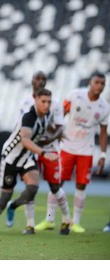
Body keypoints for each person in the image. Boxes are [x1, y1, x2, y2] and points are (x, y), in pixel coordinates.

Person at [38, 72, 109, 233]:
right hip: (67, 147)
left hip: (86, 150)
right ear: (90, 82)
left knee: (81, 185)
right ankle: (49, 219)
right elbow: (60, 115)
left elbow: (103, 131)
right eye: (97, 82)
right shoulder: (75, 96)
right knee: (57, 184)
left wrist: (103, 155)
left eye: (103, 83)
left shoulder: (104, 107)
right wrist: (52, 136)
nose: (100, 86)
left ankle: (74, 222)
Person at [0, 88, 59, 235]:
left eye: (49, 102)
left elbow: (41, 136)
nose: (46, 105)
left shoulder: (46, 117)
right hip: (11, 158)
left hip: (27, 158)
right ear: (36, 101)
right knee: (5, 196)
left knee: (32, 188)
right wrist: (45, 153)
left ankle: (13, 206)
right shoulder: (28, 117)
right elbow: (25, 140)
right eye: (43, 101)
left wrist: (58, 135)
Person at [19, 72, 71, 235]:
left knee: (55, 187)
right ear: (32, 81)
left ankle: (66, 220)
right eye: (38, 79)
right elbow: (23, 129)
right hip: (32, 151)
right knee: (31, 186)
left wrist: (46, 141)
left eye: (43, 79)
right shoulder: (25, 103)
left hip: (51, 150)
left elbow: (60, 127)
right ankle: (30, 225)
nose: (40, 82)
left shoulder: (54, 103)